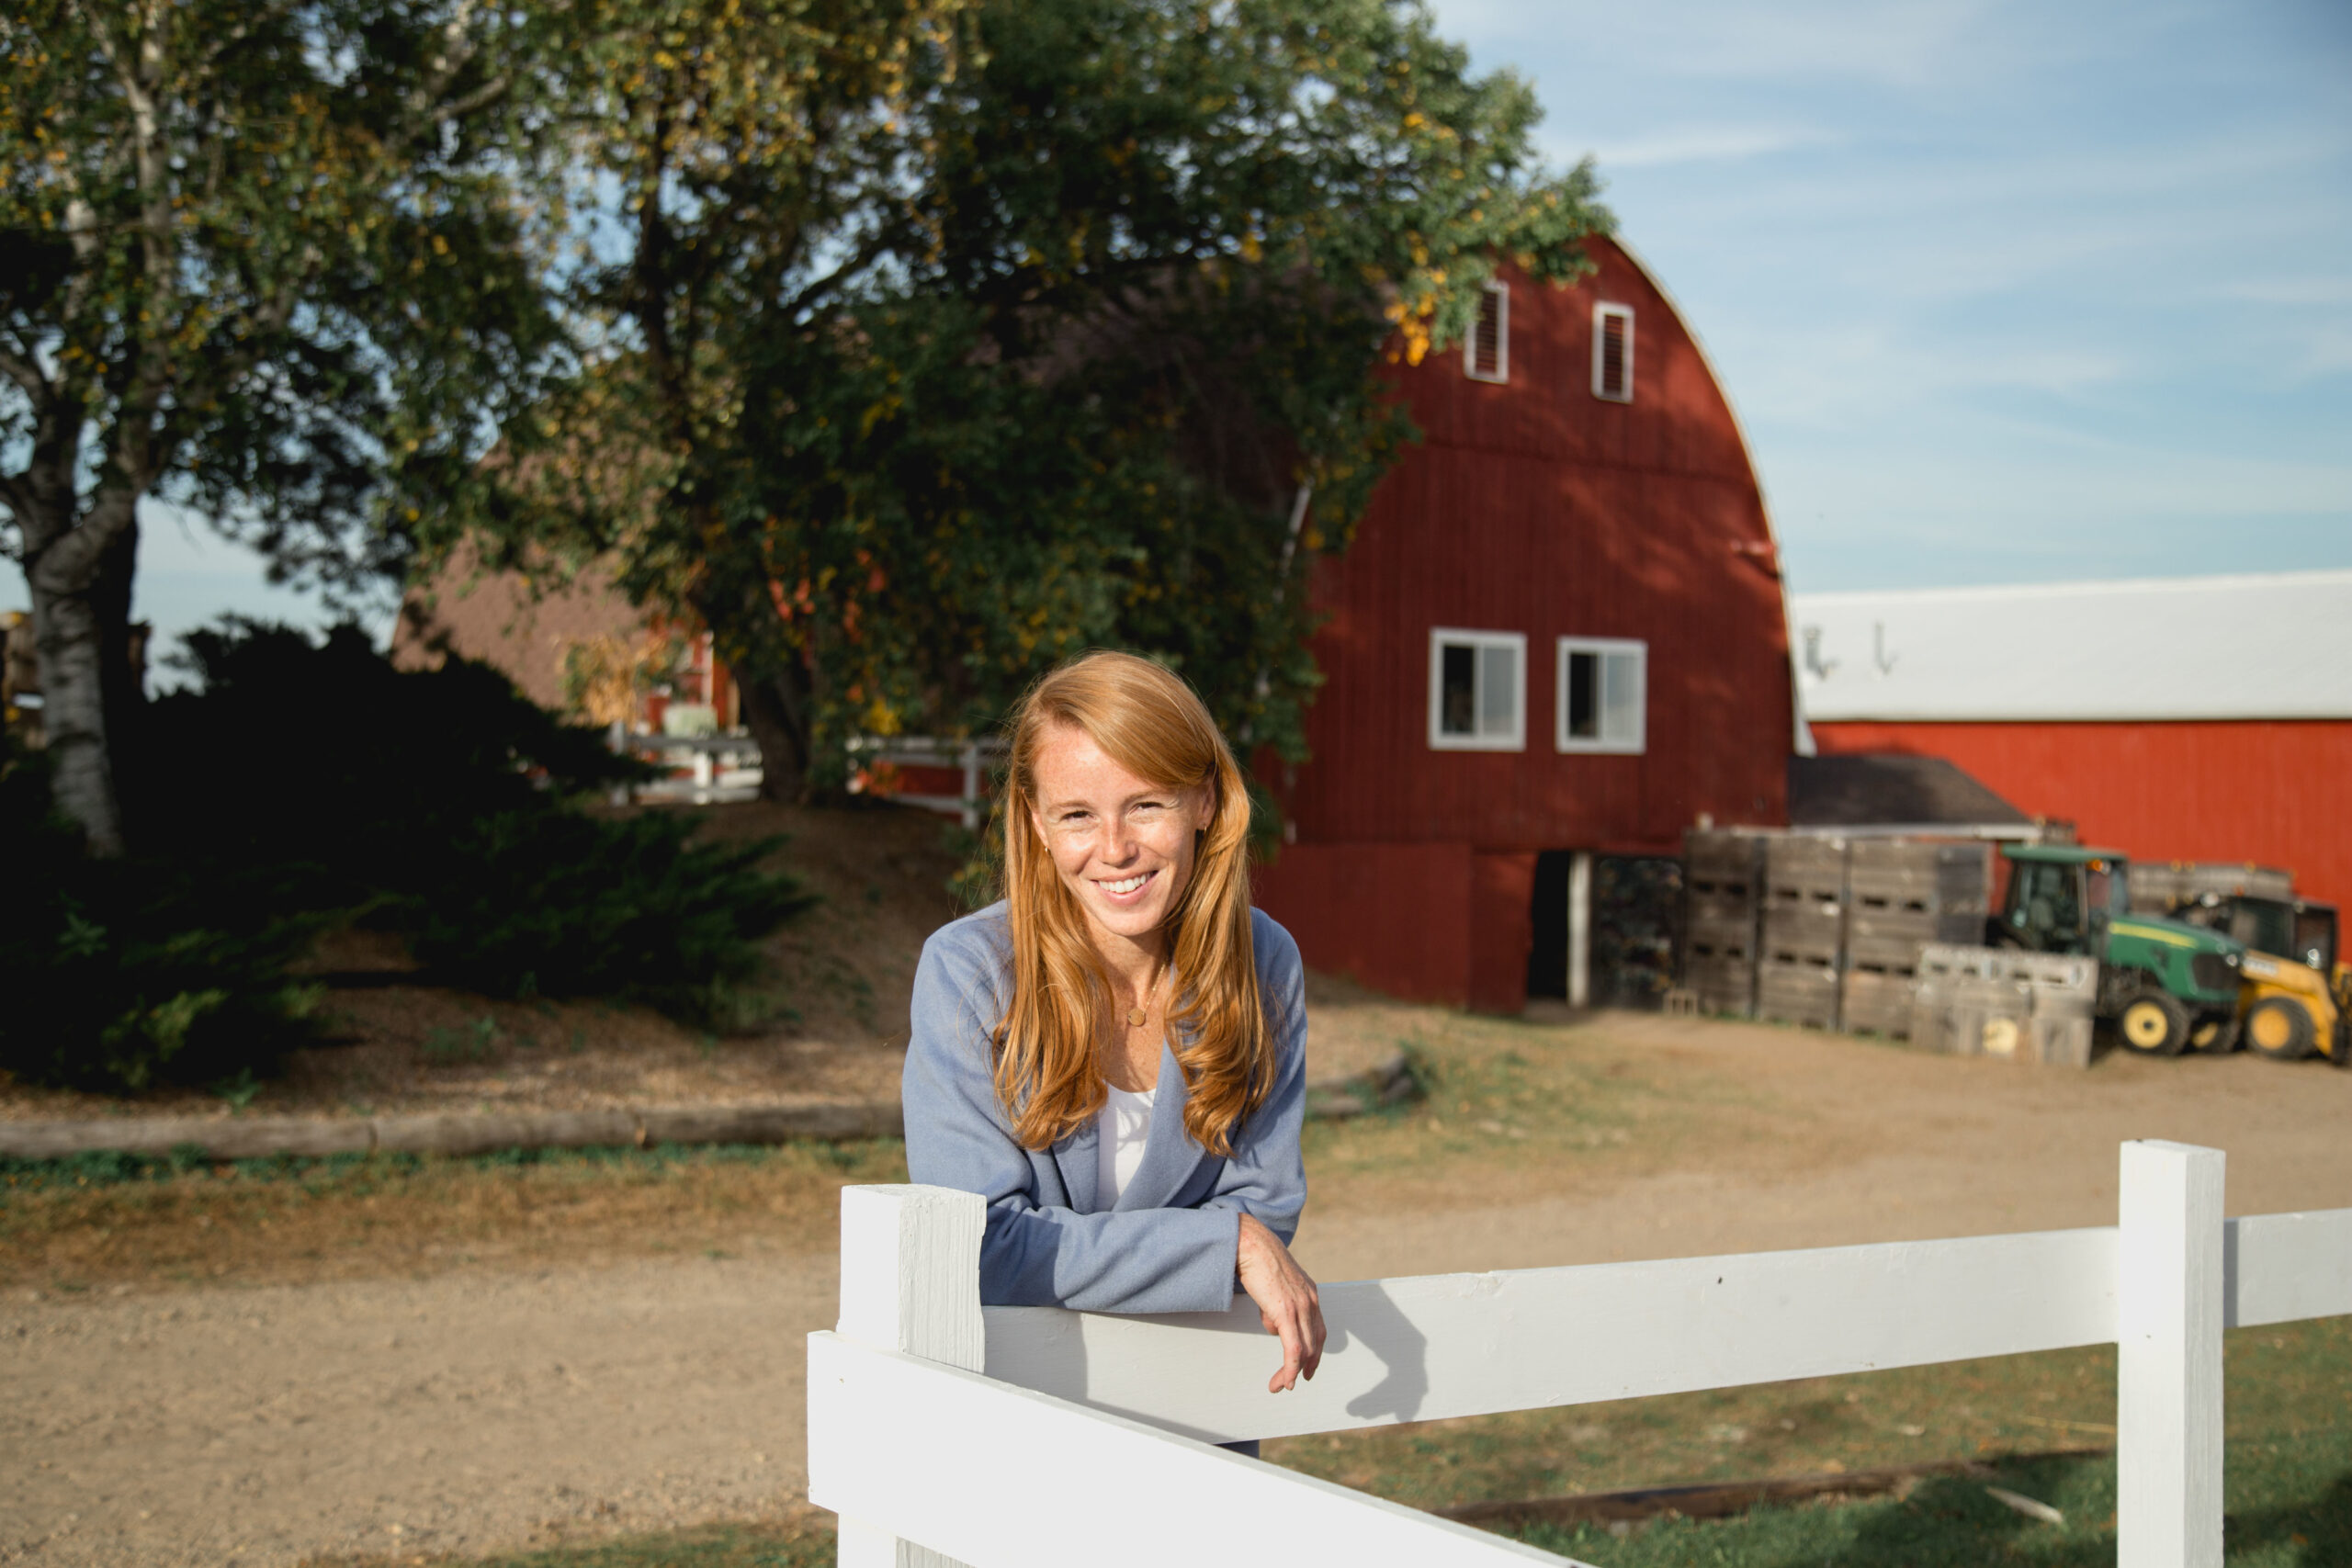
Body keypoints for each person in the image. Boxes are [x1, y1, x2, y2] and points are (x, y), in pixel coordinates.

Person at [903, 650, 1328, 1398]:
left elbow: (1268, 1209)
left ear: (1203, 800)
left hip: (1203, 1395)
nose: (1115, 848)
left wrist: (1237, 1239)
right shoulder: (968, 974)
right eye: (1077, 814)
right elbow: (977, 1245)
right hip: (1026, 1408)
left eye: (1146, 804)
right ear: (1036, 824)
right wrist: (1218, 1244)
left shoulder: (1264, 962)